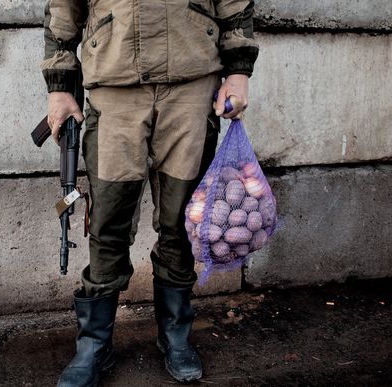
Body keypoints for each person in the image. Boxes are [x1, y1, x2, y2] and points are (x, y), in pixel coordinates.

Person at [41, 1, 258, 385]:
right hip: (114, 84)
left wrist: (238, 70)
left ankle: (175, 335)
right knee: (107, 221)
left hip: (191, 82)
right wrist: (59, 87)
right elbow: (63, 6)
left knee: (181, 219)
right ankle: (94, 343)